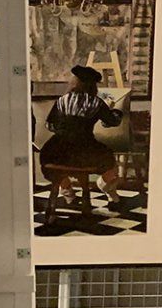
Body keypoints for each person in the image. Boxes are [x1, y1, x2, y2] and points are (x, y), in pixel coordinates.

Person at [40, 65, 135, 210]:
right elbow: (112, 122)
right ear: (92, 85)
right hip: (85, 150)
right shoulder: (96, 102)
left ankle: (68, 193)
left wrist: (65, 129)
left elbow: (50, 125)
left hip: (57, 150)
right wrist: (114, 110)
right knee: (110, 162)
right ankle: (105, 187)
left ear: (75, 82)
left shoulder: (62, 100)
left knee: (52, 164)